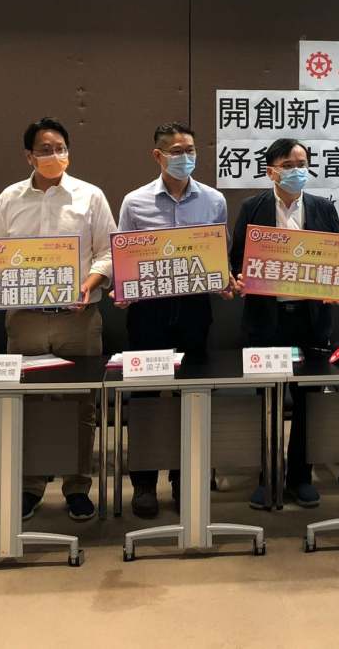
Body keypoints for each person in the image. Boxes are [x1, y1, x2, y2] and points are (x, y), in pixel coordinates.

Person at [0, 116, 117, 522]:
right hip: (25, 318)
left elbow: (108, 253)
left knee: (80, 406)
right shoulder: (10, 198)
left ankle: (77, 487)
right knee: (27, 404)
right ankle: (30, 486)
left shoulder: (90, 196)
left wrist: (89, 283)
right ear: (29, 156)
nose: (54, 155)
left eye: (60, 148)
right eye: (45, 150)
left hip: (78, 318)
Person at [116, 122, 229, 519]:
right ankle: (144, 483)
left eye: (190, 150)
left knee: (192, 395)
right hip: (148, 311)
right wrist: (123, 287)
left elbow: (219, 254)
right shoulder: (135, 202)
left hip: (195, 309)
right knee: (145, 397)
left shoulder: (213, 200)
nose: (186, 157)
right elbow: (124, 256)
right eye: (177, 151)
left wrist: (225, 279)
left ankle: (186, 479)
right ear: (158, 156)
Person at [231, 138, 339, 510]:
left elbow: (337, 261)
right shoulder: (252, 208)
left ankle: (300, 476)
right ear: (271, 171)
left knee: (309, 401)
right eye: (289, 164)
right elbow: (235, 261)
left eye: (303, 163)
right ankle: (267, 475)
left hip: (311, 320)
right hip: (267, 320)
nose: (298, 171)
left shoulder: (323, 208)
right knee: (268, 400)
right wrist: (238, 279)